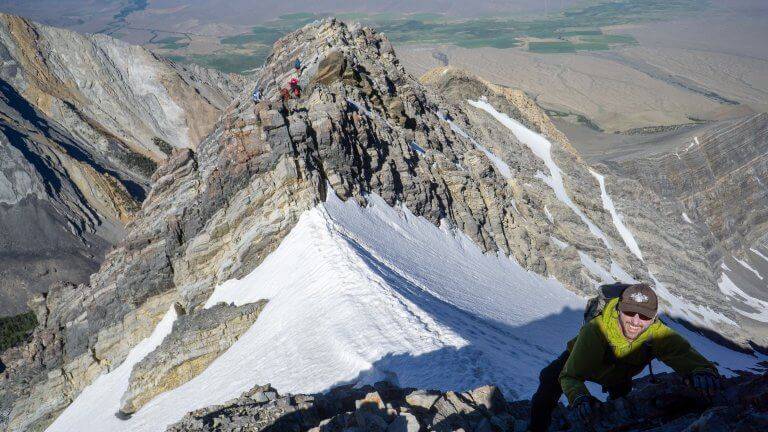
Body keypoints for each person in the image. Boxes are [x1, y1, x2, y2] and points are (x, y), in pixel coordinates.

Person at [527, 283, 721, 432]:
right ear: (619, 309)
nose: (635, 322)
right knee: (550, 380)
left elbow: (685, 355)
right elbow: (570, 375)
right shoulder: (596, 330)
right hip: (585, 357)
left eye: (644, 316)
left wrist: (702, 370)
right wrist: (580, 397)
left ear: (654, 318)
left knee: (621, 404)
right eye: (630, 312)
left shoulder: (658, 334)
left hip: (620, 374)